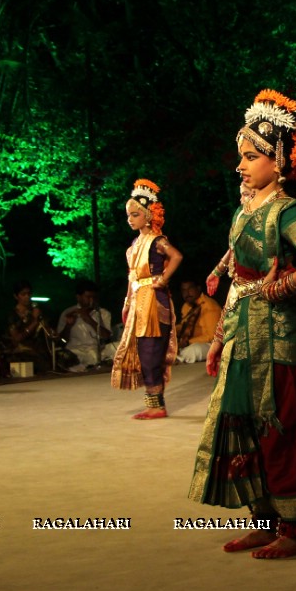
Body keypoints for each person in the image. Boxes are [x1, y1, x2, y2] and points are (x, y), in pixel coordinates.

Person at [189, 88, 296, 559]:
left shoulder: (286, 211)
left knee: (282, 428)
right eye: (241, 156)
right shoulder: (244, 210)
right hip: (244, 334)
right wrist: (219, 337)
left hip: (281, 340)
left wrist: (280, 287)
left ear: (278, 159)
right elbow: (237, 271)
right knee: (245, 426)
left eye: (251, 156)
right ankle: (264, 519)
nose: (241, 165)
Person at [112, 179, 183, 419]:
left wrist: (163, 279)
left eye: (135, 214)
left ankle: (157, 406)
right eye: (128, 215)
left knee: (152, 352)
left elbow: (177, 256)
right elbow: (132, 277)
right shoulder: (134, 244)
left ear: (147, 215)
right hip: (138, 300)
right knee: (144, 353)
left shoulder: (157, 240)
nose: (130, 219)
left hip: (154, 301)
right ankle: (153, 403)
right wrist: (127, 302)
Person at [6, 280, 74, 375]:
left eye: (29, 294)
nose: (27, 297)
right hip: (22, 352)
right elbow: (17, 339)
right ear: (16, 296)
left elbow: (48, 331)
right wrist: (34, 322)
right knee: (40, 363)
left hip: (40, 349)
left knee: (67, 357)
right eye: (23, 294)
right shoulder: (12, 315)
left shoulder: (35, 311)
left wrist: (55, 332)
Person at [57, 281, 116, 371]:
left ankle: (93, 365)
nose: (91, 300)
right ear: (78, 297)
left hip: (98, 350)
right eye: (88, 297)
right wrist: (68, 326)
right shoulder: (68, 312)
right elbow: (62, 340)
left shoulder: (103, 313)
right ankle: (92, 366)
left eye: (94, 297)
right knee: (68, 357)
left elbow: (106, 336)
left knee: (119, 346)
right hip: (76, 351)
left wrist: (89, 319)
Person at [175, 278, 221, 364]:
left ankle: (178, 358)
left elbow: (212, 336)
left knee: (195, 350)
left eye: (190, 288)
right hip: (190, 343)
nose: (187, 293)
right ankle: (177, 356)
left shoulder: (209, 306)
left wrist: (188, 342)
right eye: (184, 290)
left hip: (211, 345)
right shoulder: (186, 306)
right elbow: (184, 326)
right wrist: (172, 331)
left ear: (198, 288)